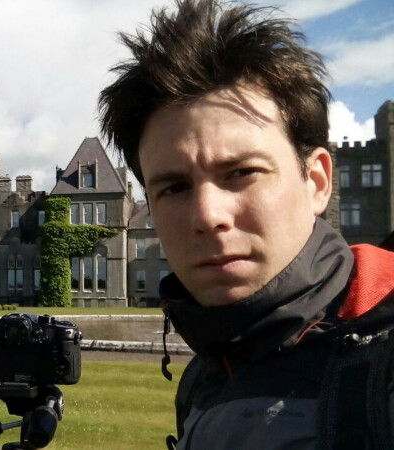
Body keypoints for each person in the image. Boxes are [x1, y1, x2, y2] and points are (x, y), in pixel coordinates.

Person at [99, 0, 394, 449]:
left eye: (241, 172)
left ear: (316, 182)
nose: (207, 216)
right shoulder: (206, 374)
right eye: (174, 187)